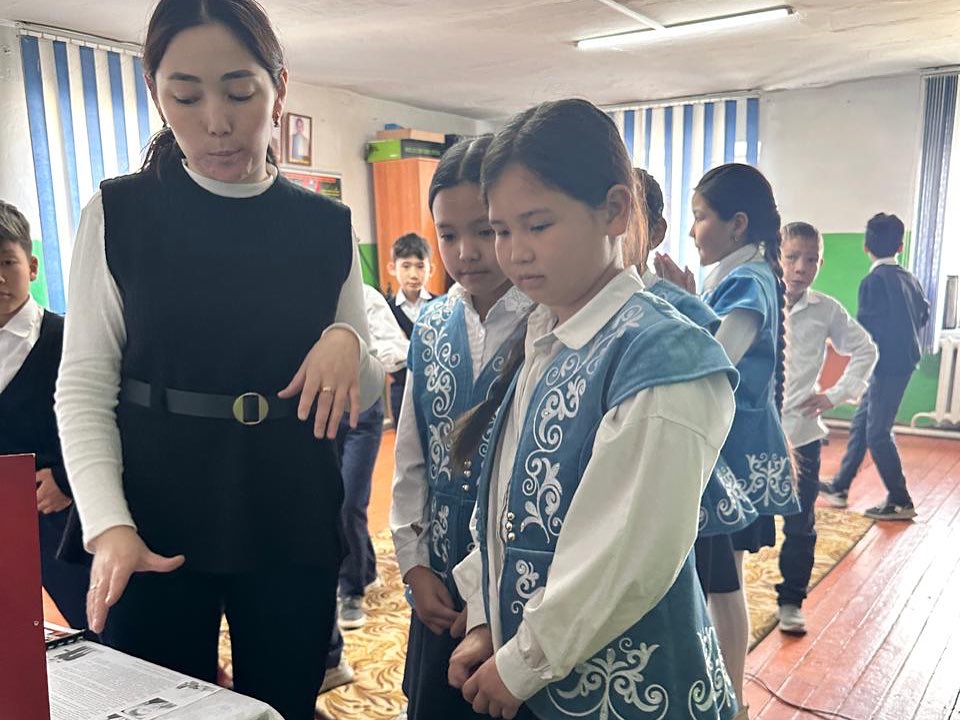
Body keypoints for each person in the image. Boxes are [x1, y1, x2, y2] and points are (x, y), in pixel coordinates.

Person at [54, 2, 384, 718]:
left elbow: (360, 386)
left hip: (289, 502)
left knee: (285, 701)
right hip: (154, 511)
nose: (216, 121)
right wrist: (108, 525)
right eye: (185, 96)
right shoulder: (118, 214)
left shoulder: (324, 225)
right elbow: (83, 385)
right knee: (160, 706)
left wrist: (348, 341)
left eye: (239, 93)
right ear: (156, 94)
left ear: (279, 88)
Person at [449, 99, 739, 720]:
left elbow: (629, 554)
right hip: (530, 669)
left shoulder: (661, 355)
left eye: (538, 225)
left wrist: (524, 659)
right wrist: (485, 618)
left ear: (614, 210)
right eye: (502, 231)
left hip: (635, 690)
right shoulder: (546, 335)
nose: (514, 253)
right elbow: (504, 508)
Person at [390, 135, 533, 720]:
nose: (467, 252)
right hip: (441, 572)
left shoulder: (547, 321)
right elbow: (411, 455)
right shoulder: (431, 324)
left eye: (486, 230)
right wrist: (414, 563)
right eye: (448, 235)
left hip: (518, 578)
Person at [655, 163, 799, 716]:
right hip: (729, 449)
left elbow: (717, 357)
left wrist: (681, 300)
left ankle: (733, 698)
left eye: (700, 217)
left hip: (732, 455)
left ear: (737, 223)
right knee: (723, 577)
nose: (693, 230)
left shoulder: (749, 280)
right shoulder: (740, 273)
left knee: (723, 582)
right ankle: (729, 692)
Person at [776, 221, 877, 635]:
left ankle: (791, 600)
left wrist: (834, 395)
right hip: (755, 432)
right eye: (792, 257)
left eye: (811, 259)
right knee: (738, 522)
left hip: (802, 434)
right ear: (777, 255)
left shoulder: (825, 309)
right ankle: (724, 597)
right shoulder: (755, 295)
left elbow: (865, 350)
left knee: (800, 523)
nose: (801, 267)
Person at [0, 200, 90, 630]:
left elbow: (113, 418)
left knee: (90, 624)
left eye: (7, 262)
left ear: (32, 266)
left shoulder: (69, 338)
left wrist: (68, 480)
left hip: (59, 518)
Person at [819, 213, 930, 520]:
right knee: (862, 424)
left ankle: (901, 500)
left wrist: (857, 368)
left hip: (885, 368)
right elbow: (924, 314)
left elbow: (866, 332)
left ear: (865, 247)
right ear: (901, 246)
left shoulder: (873, 281)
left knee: (878, 433)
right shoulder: (910, 278)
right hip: (902, 362)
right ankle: (840, 487)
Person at [386, 233, 435, 423]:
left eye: (420, 266)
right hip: (401, 388)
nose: (413, 274)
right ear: (392, 268)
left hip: (436, 387)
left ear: (431, 269)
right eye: (406, 266)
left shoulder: (443, 305)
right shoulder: (386, 310)